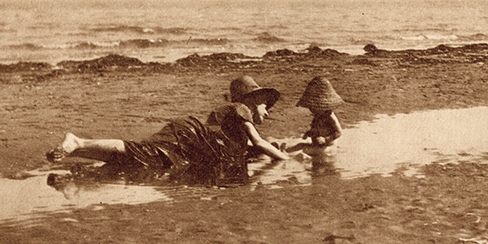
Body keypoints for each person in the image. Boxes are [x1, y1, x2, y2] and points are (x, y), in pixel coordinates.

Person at [46, 75, 288, 185]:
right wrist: (285, 159)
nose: (267, 113)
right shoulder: (241, 110)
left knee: (140, 158)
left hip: (188, 140)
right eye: (265, 107)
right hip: (187, 138)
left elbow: (245, 147)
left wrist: (276, 147)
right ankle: (78, 142)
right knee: (140, 151)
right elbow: (258, 143)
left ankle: (77, 165)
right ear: (252, 101)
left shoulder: (232, 116)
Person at [283, 76, 344, 154]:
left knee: (305, 150)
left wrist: (326, 139)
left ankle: (286, 154)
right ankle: (285, 151)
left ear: (322, 106)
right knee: (301, 145)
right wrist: (309, 133)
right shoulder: (317, 116)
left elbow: (339, 132)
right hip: (317, 145)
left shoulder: (330, 117)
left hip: (327, 147)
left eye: (313, 108)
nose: (311, 109)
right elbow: (315, 129)